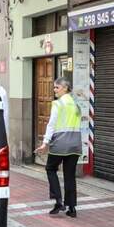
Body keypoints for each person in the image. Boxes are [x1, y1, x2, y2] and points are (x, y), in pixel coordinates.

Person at [35, 77, 82, 218]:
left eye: (57, 87)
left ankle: (58, 201)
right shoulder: (76, 104)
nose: (54, 90)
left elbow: (51, 124)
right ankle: (72, 208)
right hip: (75, 144)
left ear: (65, 88)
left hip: (60, 143)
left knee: (50, 169)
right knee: (70, 175)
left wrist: (45, 143)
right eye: (54, 87)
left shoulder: (58, 104)